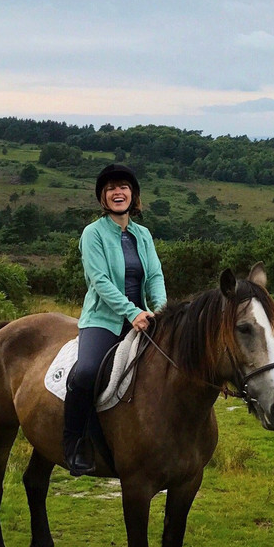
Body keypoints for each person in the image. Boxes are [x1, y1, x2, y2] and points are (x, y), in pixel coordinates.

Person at [64, 164, 167, 476]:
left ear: (133, 194)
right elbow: (100, 280)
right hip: (104, 320)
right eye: (110, 188)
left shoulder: (143, 234)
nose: (117, 192)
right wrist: (131, 312)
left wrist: (159, 310)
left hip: (145, 318)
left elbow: (155, 276)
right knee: (87, 373)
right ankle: (75, 443)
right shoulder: (93, 234)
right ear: (102, 198)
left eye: (123, 186)